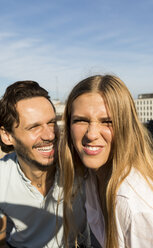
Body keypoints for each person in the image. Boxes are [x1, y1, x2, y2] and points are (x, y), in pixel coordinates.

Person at [59, 74, 153, 248]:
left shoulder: (136, 206)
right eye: (81, 120)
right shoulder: (94, 176)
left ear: (126, 127)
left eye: (107, 121)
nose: (91, 134)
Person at [0, 80, 90, 248]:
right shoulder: (2, 176)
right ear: (7, 135)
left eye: (51, 122)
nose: (49, 135)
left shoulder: (82, 167)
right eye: (34, 127)